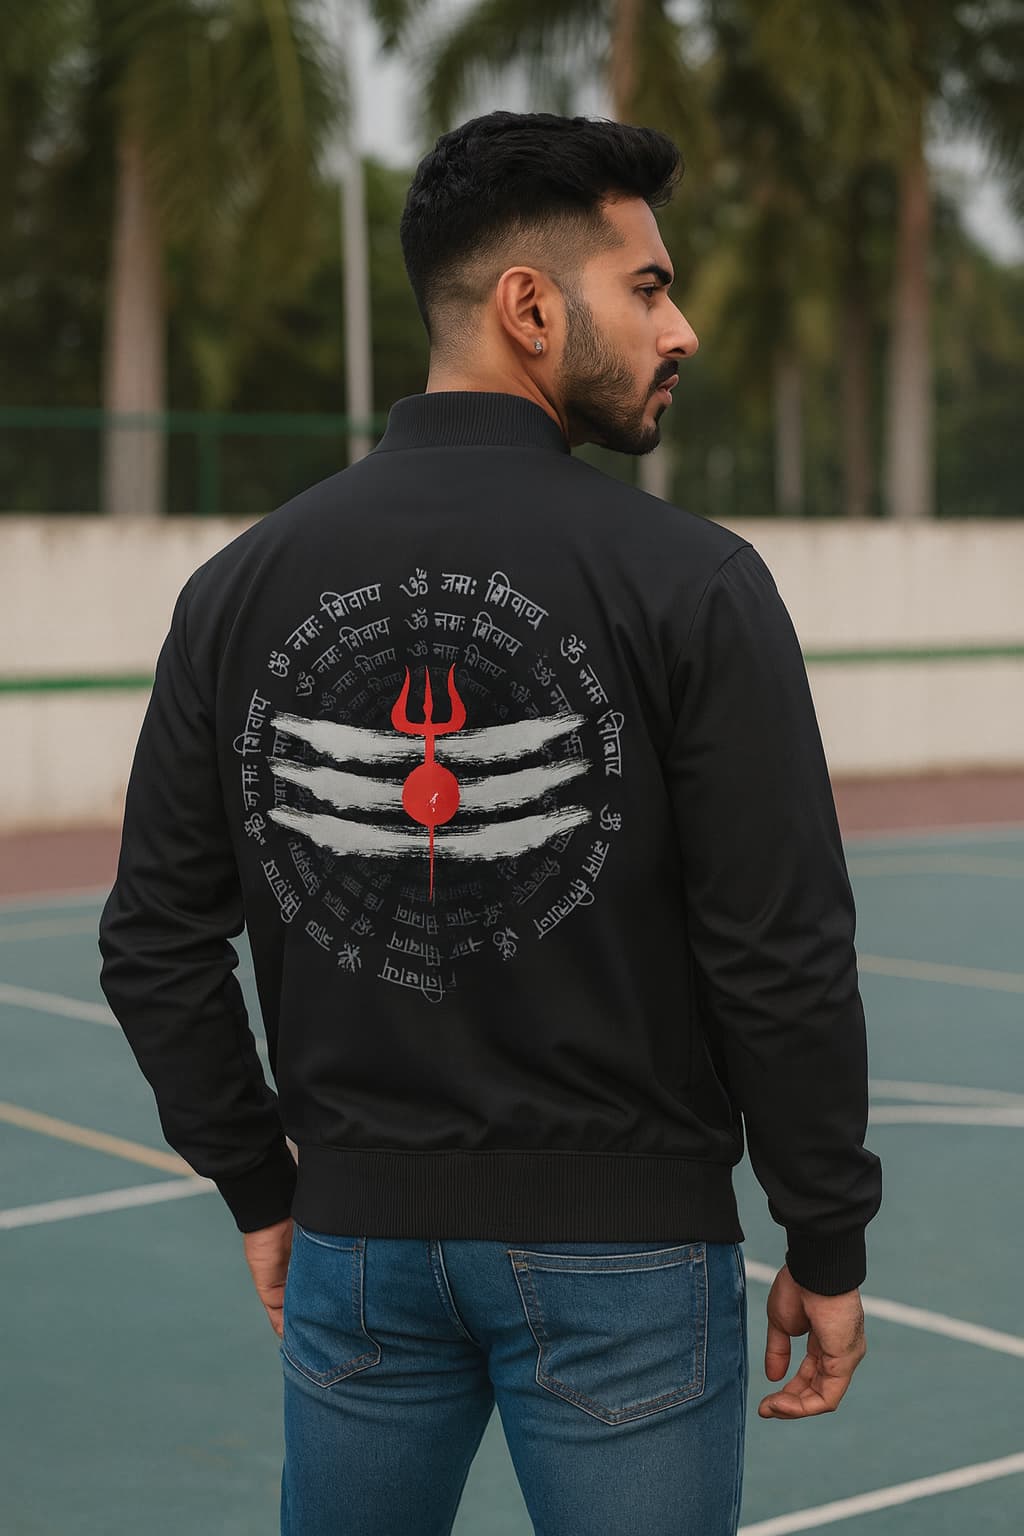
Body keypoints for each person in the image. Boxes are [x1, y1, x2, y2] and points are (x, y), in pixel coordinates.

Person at [98, 110, 882, 1536]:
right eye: (647, 287)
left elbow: (153, 941)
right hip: (628, 1261)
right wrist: (826, 1232)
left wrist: (270, 1188)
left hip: (354, 1252)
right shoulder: (694, 582)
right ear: (530, 307)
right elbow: (781, 951)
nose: (683, 326)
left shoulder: (238, 588)